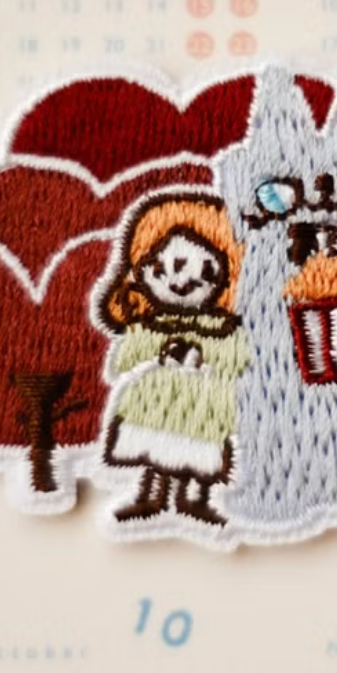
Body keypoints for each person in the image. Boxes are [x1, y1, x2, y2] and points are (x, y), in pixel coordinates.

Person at [94, 193, 248, 526]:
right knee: (155, 451)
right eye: (165, 268)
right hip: (154, 402)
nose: (180, 283)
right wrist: (161, 356)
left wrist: (200, 359)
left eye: (203, 272)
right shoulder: (150, 324)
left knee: (201, 455)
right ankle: (150, 495)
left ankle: (197, 500)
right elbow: (125, 360)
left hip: (203, 405)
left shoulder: (223, 329)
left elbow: (236, 361)